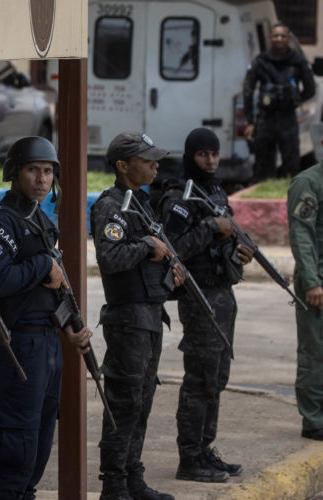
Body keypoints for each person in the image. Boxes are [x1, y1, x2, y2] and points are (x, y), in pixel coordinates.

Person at [0, 136, 93, 500]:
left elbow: (56, 289)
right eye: (32, 170)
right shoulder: (2, 222)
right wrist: (43, 263)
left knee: (41, 437)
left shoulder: (40, 219)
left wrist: (72, 327)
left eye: (47, 172)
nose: (41, 179)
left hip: (47, 342)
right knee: (17, 440)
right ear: (14, 172)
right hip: (19, 344)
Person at [90, 132, 185, 500]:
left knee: (142, 400)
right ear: (123, 166)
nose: (155, 166)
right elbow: (110, 258)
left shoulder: (141, 205)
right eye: (147, 160)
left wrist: (171, 273)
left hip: (148, 316)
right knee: (124, 402)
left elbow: (152, 259)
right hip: (127, 319)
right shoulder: (111, 206)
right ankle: (113, 485)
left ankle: (132, 478)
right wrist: (149, 247)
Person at [157, 128, 254, 482]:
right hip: (199, 296)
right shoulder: (183, 196)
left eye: (213, 154)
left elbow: (226, 241)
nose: (210, 161)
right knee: (199, 379)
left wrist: (240, 252)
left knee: (217, 378)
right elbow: (173, 246)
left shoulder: (213, 191)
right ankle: (190, 458)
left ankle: (205, 449)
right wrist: (212, 226)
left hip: (223, 294)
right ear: (190, 156)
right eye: (202, 155)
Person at [243, 22, 315, 180]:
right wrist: (249, 121)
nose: (279, 39)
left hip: (287, 117)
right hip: (266, 118)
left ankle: (290, 194)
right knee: (263, 162)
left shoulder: (297, 61)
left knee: (291, 161)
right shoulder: (261, 61)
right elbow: (248, 90)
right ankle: (263, 192)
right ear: (270, 38)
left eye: (283, 36)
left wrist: (296, 100)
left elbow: (310, 88)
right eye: (276, 35)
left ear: (288, 38)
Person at [287, 158, 323, 441]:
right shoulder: (308, 182)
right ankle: (313, 420)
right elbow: (302, 233)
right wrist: (311, 281)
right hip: (318, 283)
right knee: (314, 352)